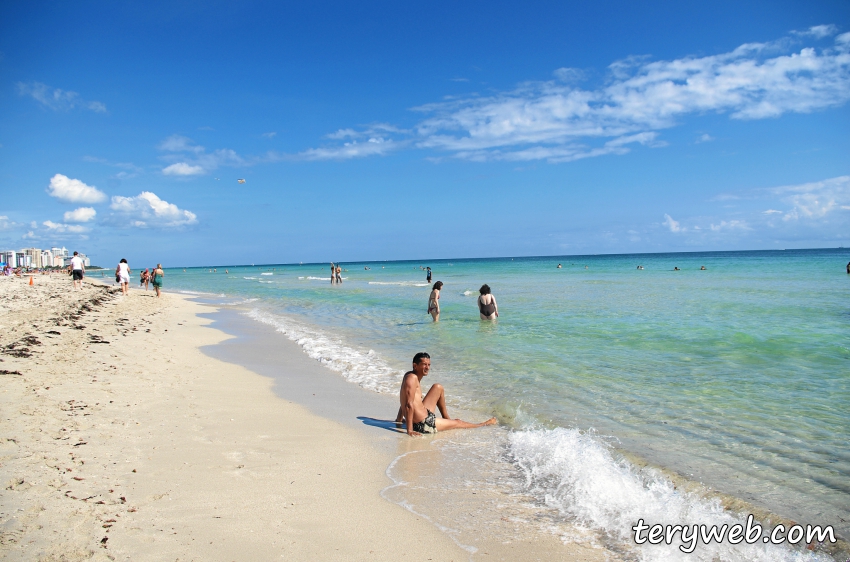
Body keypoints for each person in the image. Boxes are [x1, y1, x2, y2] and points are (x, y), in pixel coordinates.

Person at [395, 353, 497, 436]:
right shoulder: (412, 379)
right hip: (423, 424)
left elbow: (404, 399)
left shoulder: (410, 375)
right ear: (415, 365)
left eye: (429, 365)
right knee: (458, 422)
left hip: (421, 416)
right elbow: (408, 404)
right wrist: (410, 430)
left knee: (437, 387)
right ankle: (483, 424)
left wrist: (399, 420)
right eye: (424, 364)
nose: (427, 367)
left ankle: (446, 419)